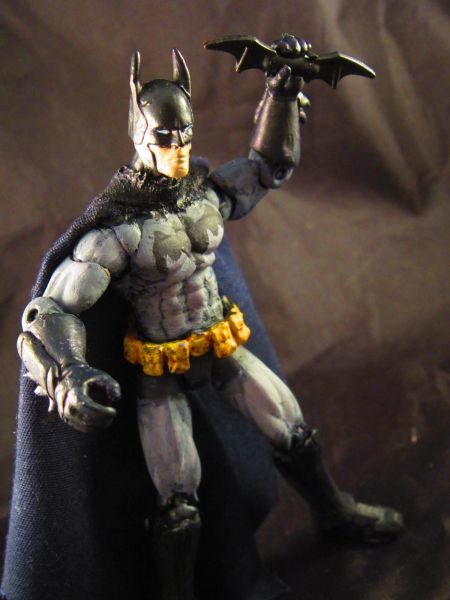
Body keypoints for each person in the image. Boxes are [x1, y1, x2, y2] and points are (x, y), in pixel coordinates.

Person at [13, 35, 403, 600]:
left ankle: (334, 512)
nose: (176, 148)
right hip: (160, 371)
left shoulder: (205, 194)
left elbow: (268, 168)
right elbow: (50, 311)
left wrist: (281, 94)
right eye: (163, 137)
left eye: (185, 135)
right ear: (139, 134)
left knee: (292, 431)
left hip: (220, 344)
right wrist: (67, 372)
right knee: (178, 501)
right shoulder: (118, 230)